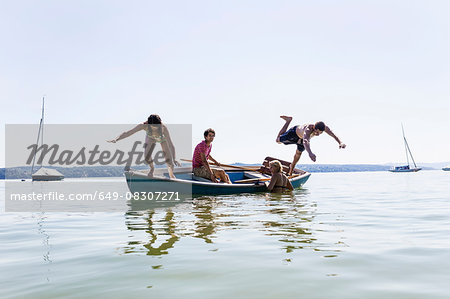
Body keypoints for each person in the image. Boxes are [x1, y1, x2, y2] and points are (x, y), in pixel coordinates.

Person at [107, 114, 180, 178]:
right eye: (152, 127)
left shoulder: (163, 128)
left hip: (162, 139)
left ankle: (171, 175)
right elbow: (128, 133)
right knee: (146, 157)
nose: (155, 129)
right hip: (151, 137)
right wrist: (116, 139)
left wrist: (174, 158)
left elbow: (171, 144)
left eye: (156, 127)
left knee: (169, 161)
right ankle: (152, 169)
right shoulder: (144, 126)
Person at [276, 116, 346, 175]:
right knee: (278, 140)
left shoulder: (325, 128)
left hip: (302, 139)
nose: (317, 134)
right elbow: (305, 141)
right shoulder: (308, 129)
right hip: (294, 133)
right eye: (316, 132)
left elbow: (333, 135)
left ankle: (290, 171)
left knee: (298, 153)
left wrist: (340, 142)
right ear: (314, 128)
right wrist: (310, 153)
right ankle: (288, 121)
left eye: (320, 133)